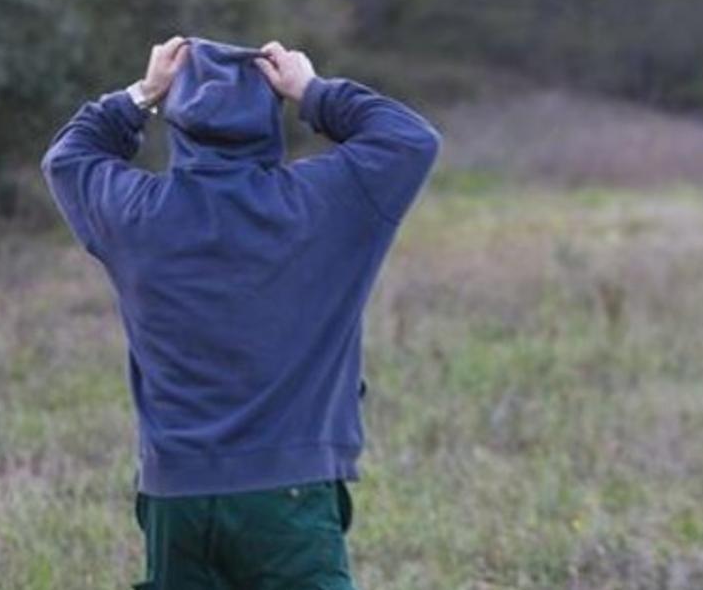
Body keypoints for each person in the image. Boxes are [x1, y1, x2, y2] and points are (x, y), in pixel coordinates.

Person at [41, 35, 441, 589]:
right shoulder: (323, 202)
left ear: (178, 123)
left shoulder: (137, 213)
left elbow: (69, 157)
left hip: (175, 494)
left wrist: (142, 93)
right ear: (268, 118)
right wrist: (312, 91)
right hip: (288, 494)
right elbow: (410, 140)